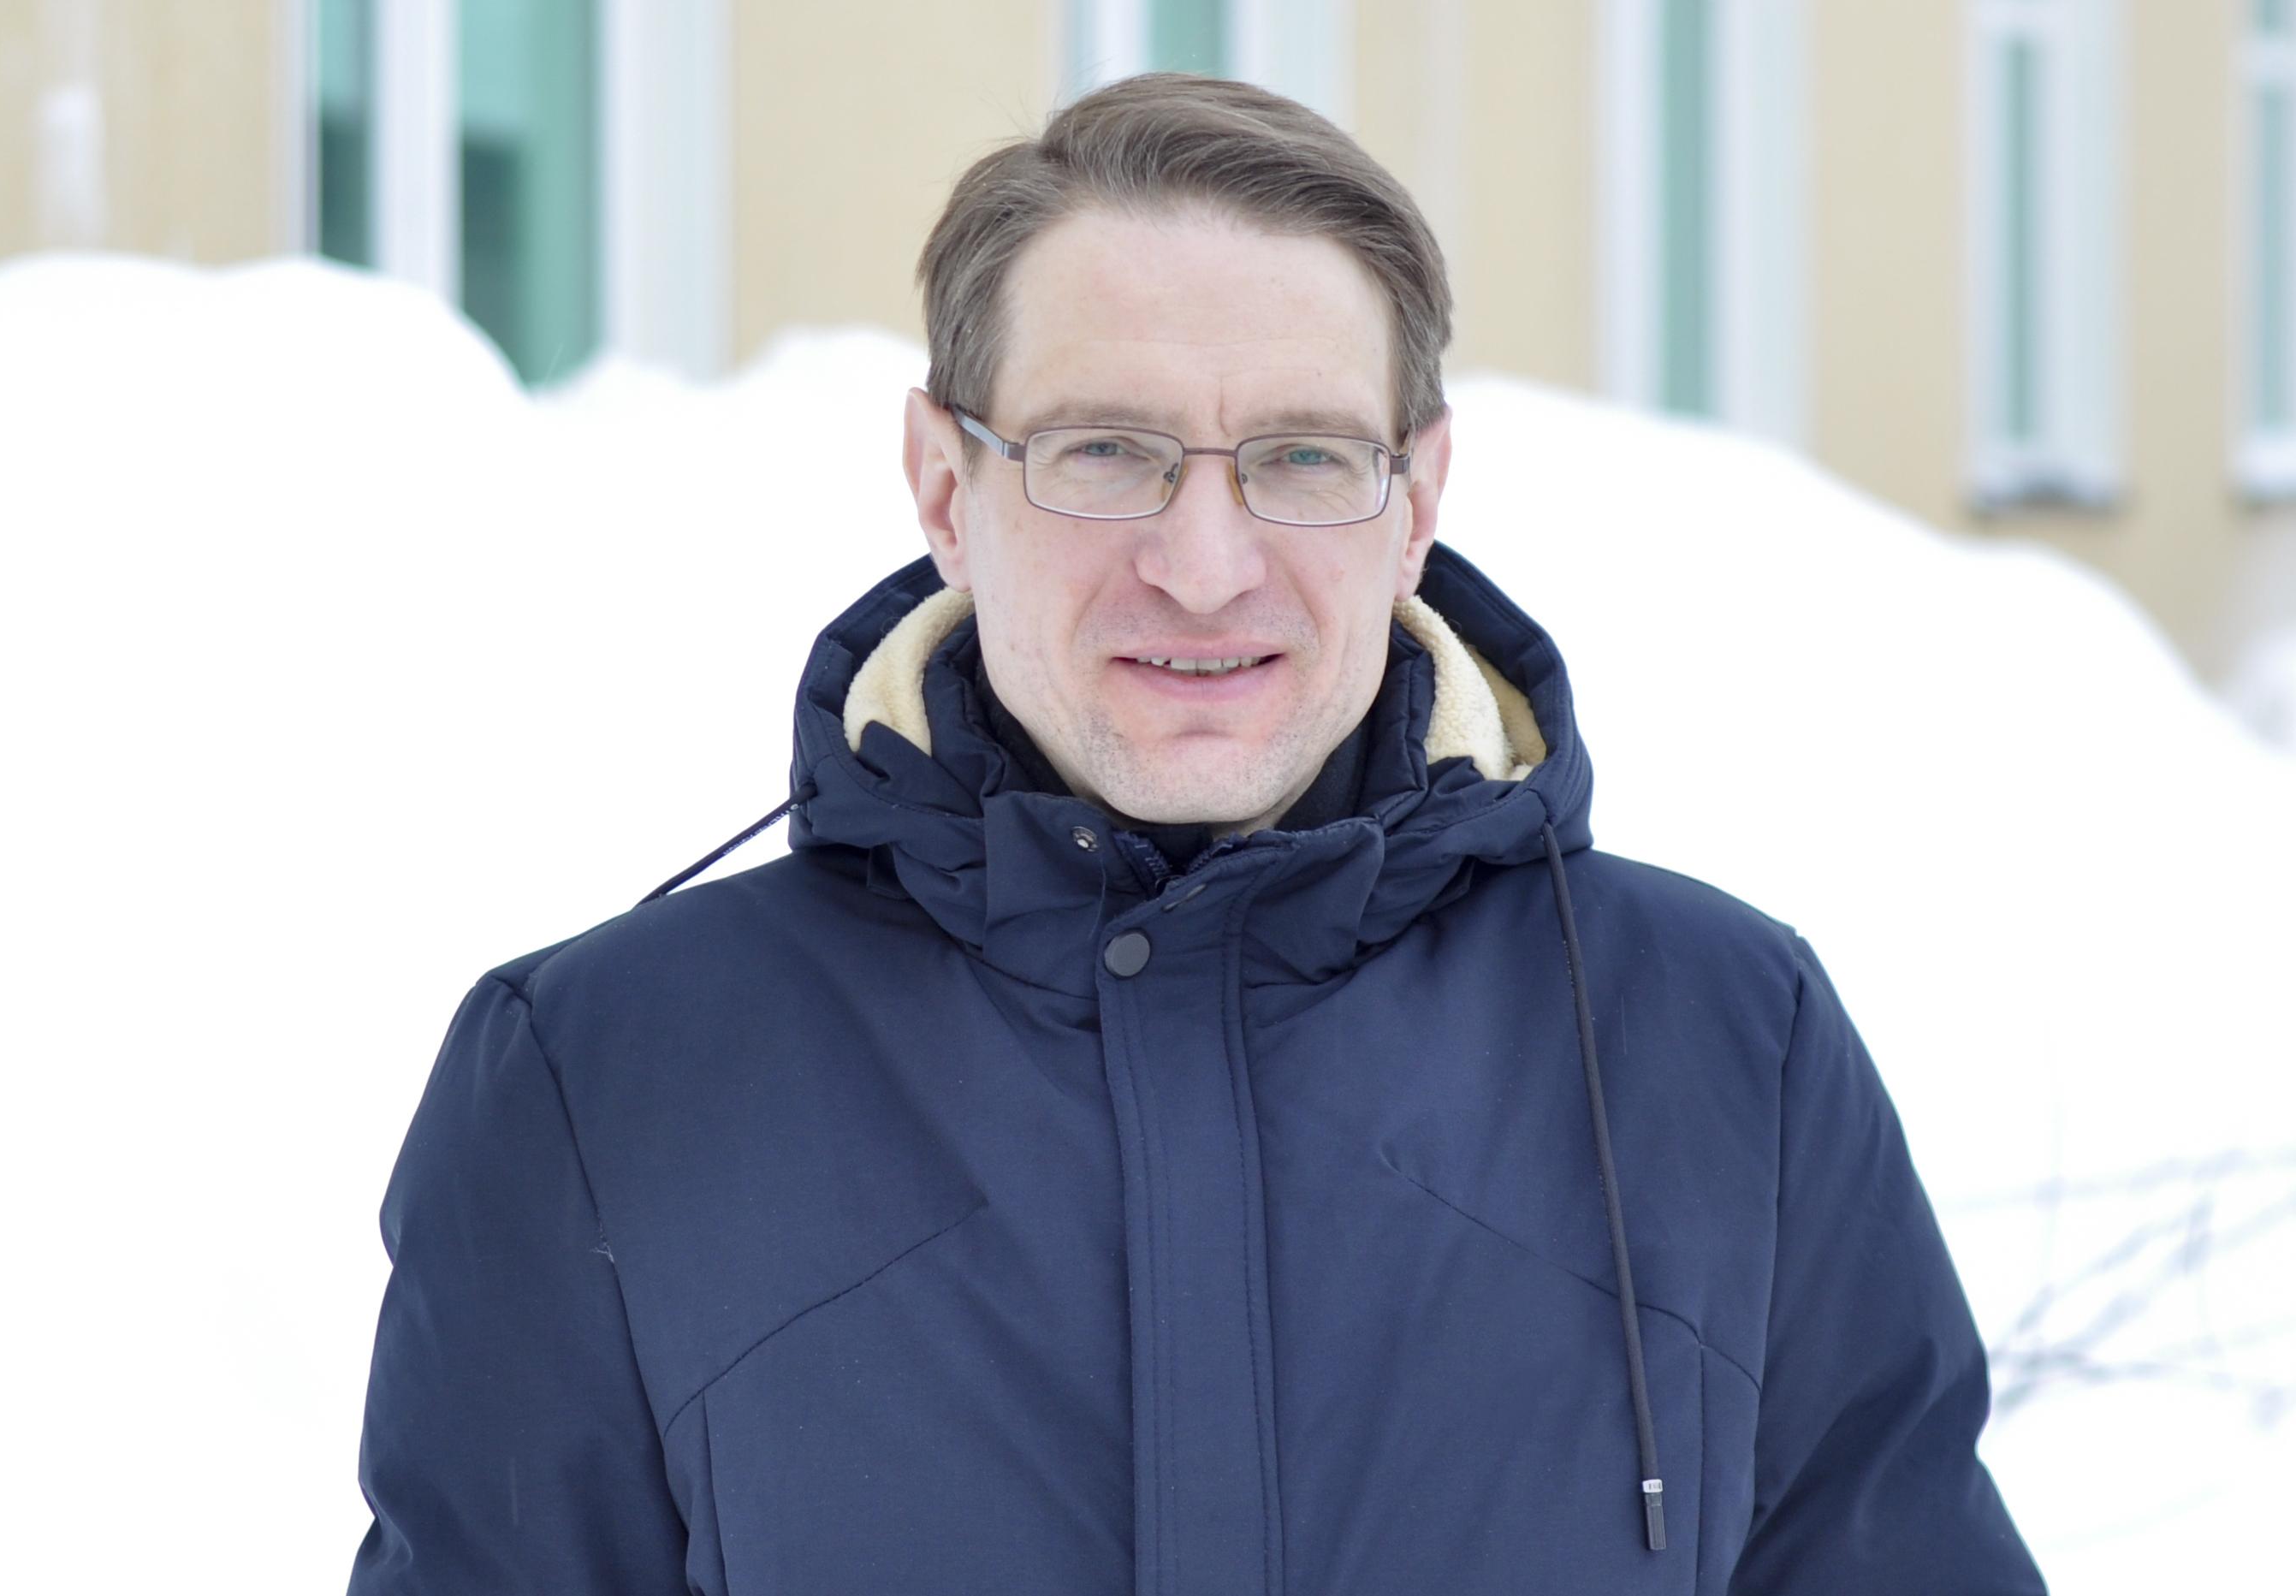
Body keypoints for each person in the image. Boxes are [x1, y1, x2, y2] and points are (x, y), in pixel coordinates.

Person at [346, 72, 2044, 1594]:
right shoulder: (605, 1082)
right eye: (1108, 452)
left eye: (1302, 457)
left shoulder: (1721, 1050)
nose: (1207, 568)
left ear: (1416, 502)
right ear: (944, 486)